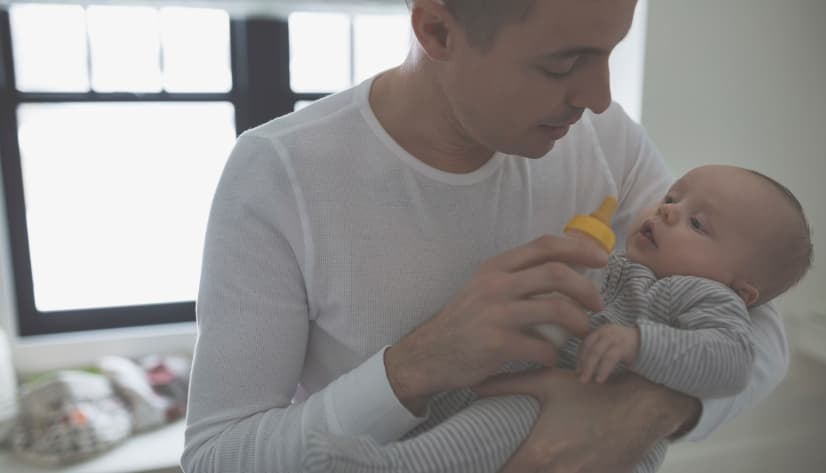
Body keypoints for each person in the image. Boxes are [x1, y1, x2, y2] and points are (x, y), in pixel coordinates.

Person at [181, 1, 791, 472]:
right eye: (562, 64)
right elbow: (216, 456)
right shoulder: (281, 173)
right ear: (438, 30)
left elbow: (754, 316)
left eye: (609, 52)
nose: (599, 97)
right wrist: (414, 366)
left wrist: (643, 412)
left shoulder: (604, 140)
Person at [298, 164, 813, 473]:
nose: (670, 211)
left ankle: (391, 468)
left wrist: (640, 346)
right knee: (469, 391)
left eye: (698, 223)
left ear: (740, 289)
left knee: (511, 413)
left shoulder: (702, 297)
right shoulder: (626, 265)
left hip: (572, 414)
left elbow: (732, 361)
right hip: (541, 382)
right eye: (672, 197)